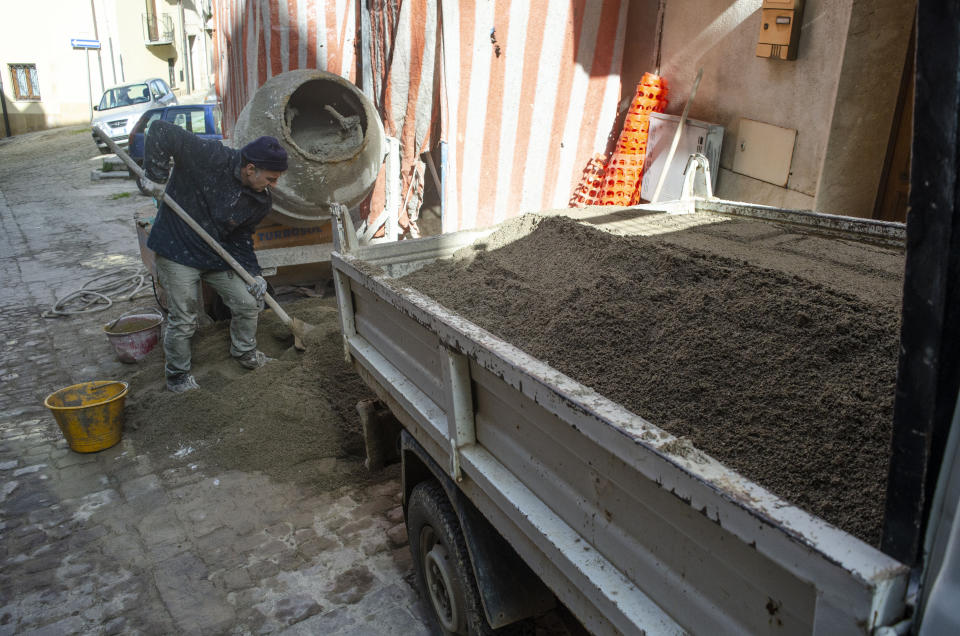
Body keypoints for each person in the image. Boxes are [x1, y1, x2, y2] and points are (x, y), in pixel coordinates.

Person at [140, 119, 288, 393]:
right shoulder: (210, 156)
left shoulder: (260, 199)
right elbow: (160, 130)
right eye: (270, 178)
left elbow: (242, 238)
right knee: (184, 316)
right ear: (251, 168)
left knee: (248, 303)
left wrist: (253, 273)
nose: (274, 185)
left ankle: (244, 352)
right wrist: (155, 176)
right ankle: (178, 376)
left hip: (215, 254)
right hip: (177, 248)